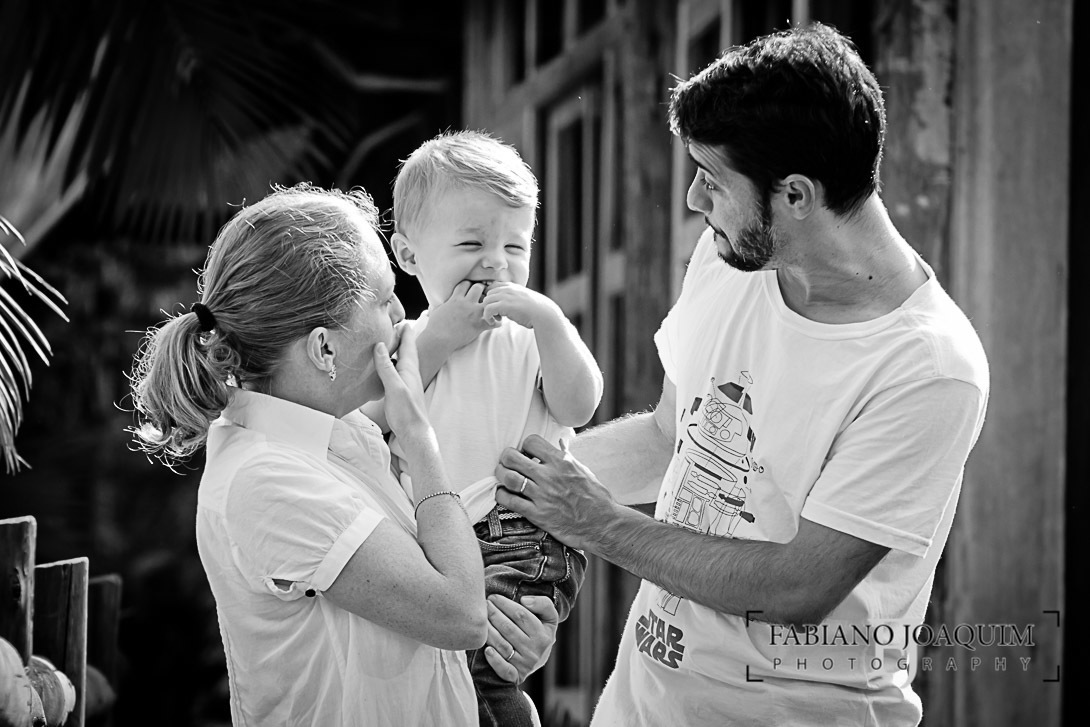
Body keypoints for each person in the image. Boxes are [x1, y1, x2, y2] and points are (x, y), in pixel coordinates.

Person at [493, 23, 990, 726]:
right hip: (640, 704)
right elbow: (669, 439)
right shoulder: (728, 259)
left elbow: (798, 586)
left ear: (795, 195)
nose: (694, 199)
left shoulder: (928, 368)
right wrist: (488, 492)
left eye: (713, 178)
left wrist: (595, 522)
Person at [128, 184, 558, 726]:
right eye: (384, 299)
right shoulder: (267, 480)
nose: (402, 312)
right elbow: (459, 613)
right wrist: (420, 437)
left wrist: (509, 641)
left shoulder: (343, 429)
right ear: (324, 348)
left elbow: (449, 612)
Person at [369, 130, 603, 727]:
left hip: (521, 535)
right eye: (472, 242)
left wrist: (551, 322)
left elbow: (580, 406)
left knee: (484, 665)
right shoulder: (407, 342)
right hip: (432, 543)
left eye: (515, 246)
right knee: (438, 672)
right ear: (410, 256)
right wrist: (445, 334)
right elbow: (377, 417)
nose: (497, 262)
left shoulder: (532, 337)